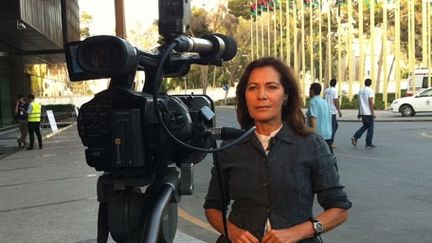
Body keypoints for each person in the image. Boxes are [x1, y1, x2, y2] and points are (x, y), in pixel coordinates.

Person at [204, 57, 351, 243]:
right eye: (253, 88)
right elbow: (213, 207)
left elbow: (339, 209)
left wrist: (299, 232)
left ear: (286, 95)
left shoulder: (312, 145)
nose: (261, 95)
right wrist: (232, 232)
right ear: (245, 96)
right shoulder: (229, 148)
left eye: (271, 87)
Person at [307, 83, 333, 154]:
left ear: (312, 91)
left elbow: (313, 120)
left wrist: (307, 131)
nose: (309, 92)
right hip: (327, 134)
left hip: (318, 136)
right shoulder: (324, 102)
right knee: (329, 159)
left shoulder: (313, 102)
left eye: (309, 90)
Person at [351, 78, 376, 148]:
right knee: (370, 128)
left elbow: (360, 102)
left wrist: (359, 112)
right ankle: (368, 143)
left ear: (365, 83)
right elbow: (370, 102)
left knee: (365, 126)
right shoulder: (370, 90)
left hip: (362, 112)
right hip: (368, 113)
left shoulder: (360, 91)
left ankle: (355, 137)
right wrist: (373, 112)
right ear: (370, 83)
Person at [324, 79, 342, 147]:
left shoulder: (326, 90)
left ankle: (329, 140)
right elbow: (335, 101)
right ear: (335, 84)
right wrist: (339, 111)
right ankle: (330, 142)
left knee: (334, 126)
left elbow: (325, 98)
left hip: (327, 111)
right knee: (333, 127)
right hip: (332, 111)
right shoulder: (335, 90)